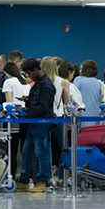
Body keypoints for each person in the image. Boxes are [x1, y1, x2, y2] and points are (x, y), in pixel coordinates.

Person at [18, 58, 54, 193]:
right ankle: (24, 180)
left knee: (41, 152)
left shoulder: (46, 85)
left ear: (35, 70)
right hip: (33, 122)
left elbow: (43, 107)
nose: (28, 76)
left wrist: (25, 111)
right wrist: (28, 100)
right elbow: (37, 102)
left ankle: (42, 181)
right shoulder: (38, 84)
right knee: (26, 151)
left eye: (29, 73)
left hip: (42, 123)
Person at [41, 57, 69, 180]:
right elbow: (66, 100)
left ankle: (46, 176)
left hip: (45, 117)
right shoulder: (62, 81)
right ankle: (62, 176)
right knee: (63, 147)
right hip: (59, 117)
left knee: (46, 147)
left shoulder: (41, 82)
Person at [74, 60, 103, 128]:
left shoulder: (78, 80)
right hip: (95, 118)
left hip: (82, 118)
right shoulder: (99, 83)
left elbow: (73, 97)